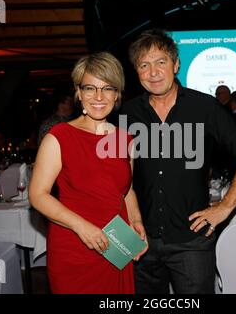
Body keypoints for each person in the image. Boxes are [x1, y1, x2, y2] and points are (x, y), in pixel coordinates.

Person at [122, 28, 236, 294]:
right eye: (144, 65)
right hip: (140, 240)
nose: (153, 72)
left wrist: (223, 208)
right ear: (137, 72)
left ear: (176, 65)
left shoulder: (204, 107)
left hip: (191, 242)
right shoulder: (127, 114)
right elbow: (119, 175)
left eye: (160, 62)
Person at [29, 52, 148, 294]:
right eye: (90, 88)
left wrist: (135, 221)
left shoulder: (124, 140)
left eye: (107, 88)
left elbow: (126, 190)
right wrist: (82, 227)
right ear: (79, 92)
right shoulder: (59, 137)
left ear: (117, 94)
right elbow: (38, 195)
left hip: (116, 246)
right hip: (73, 249)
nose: (99, 97)